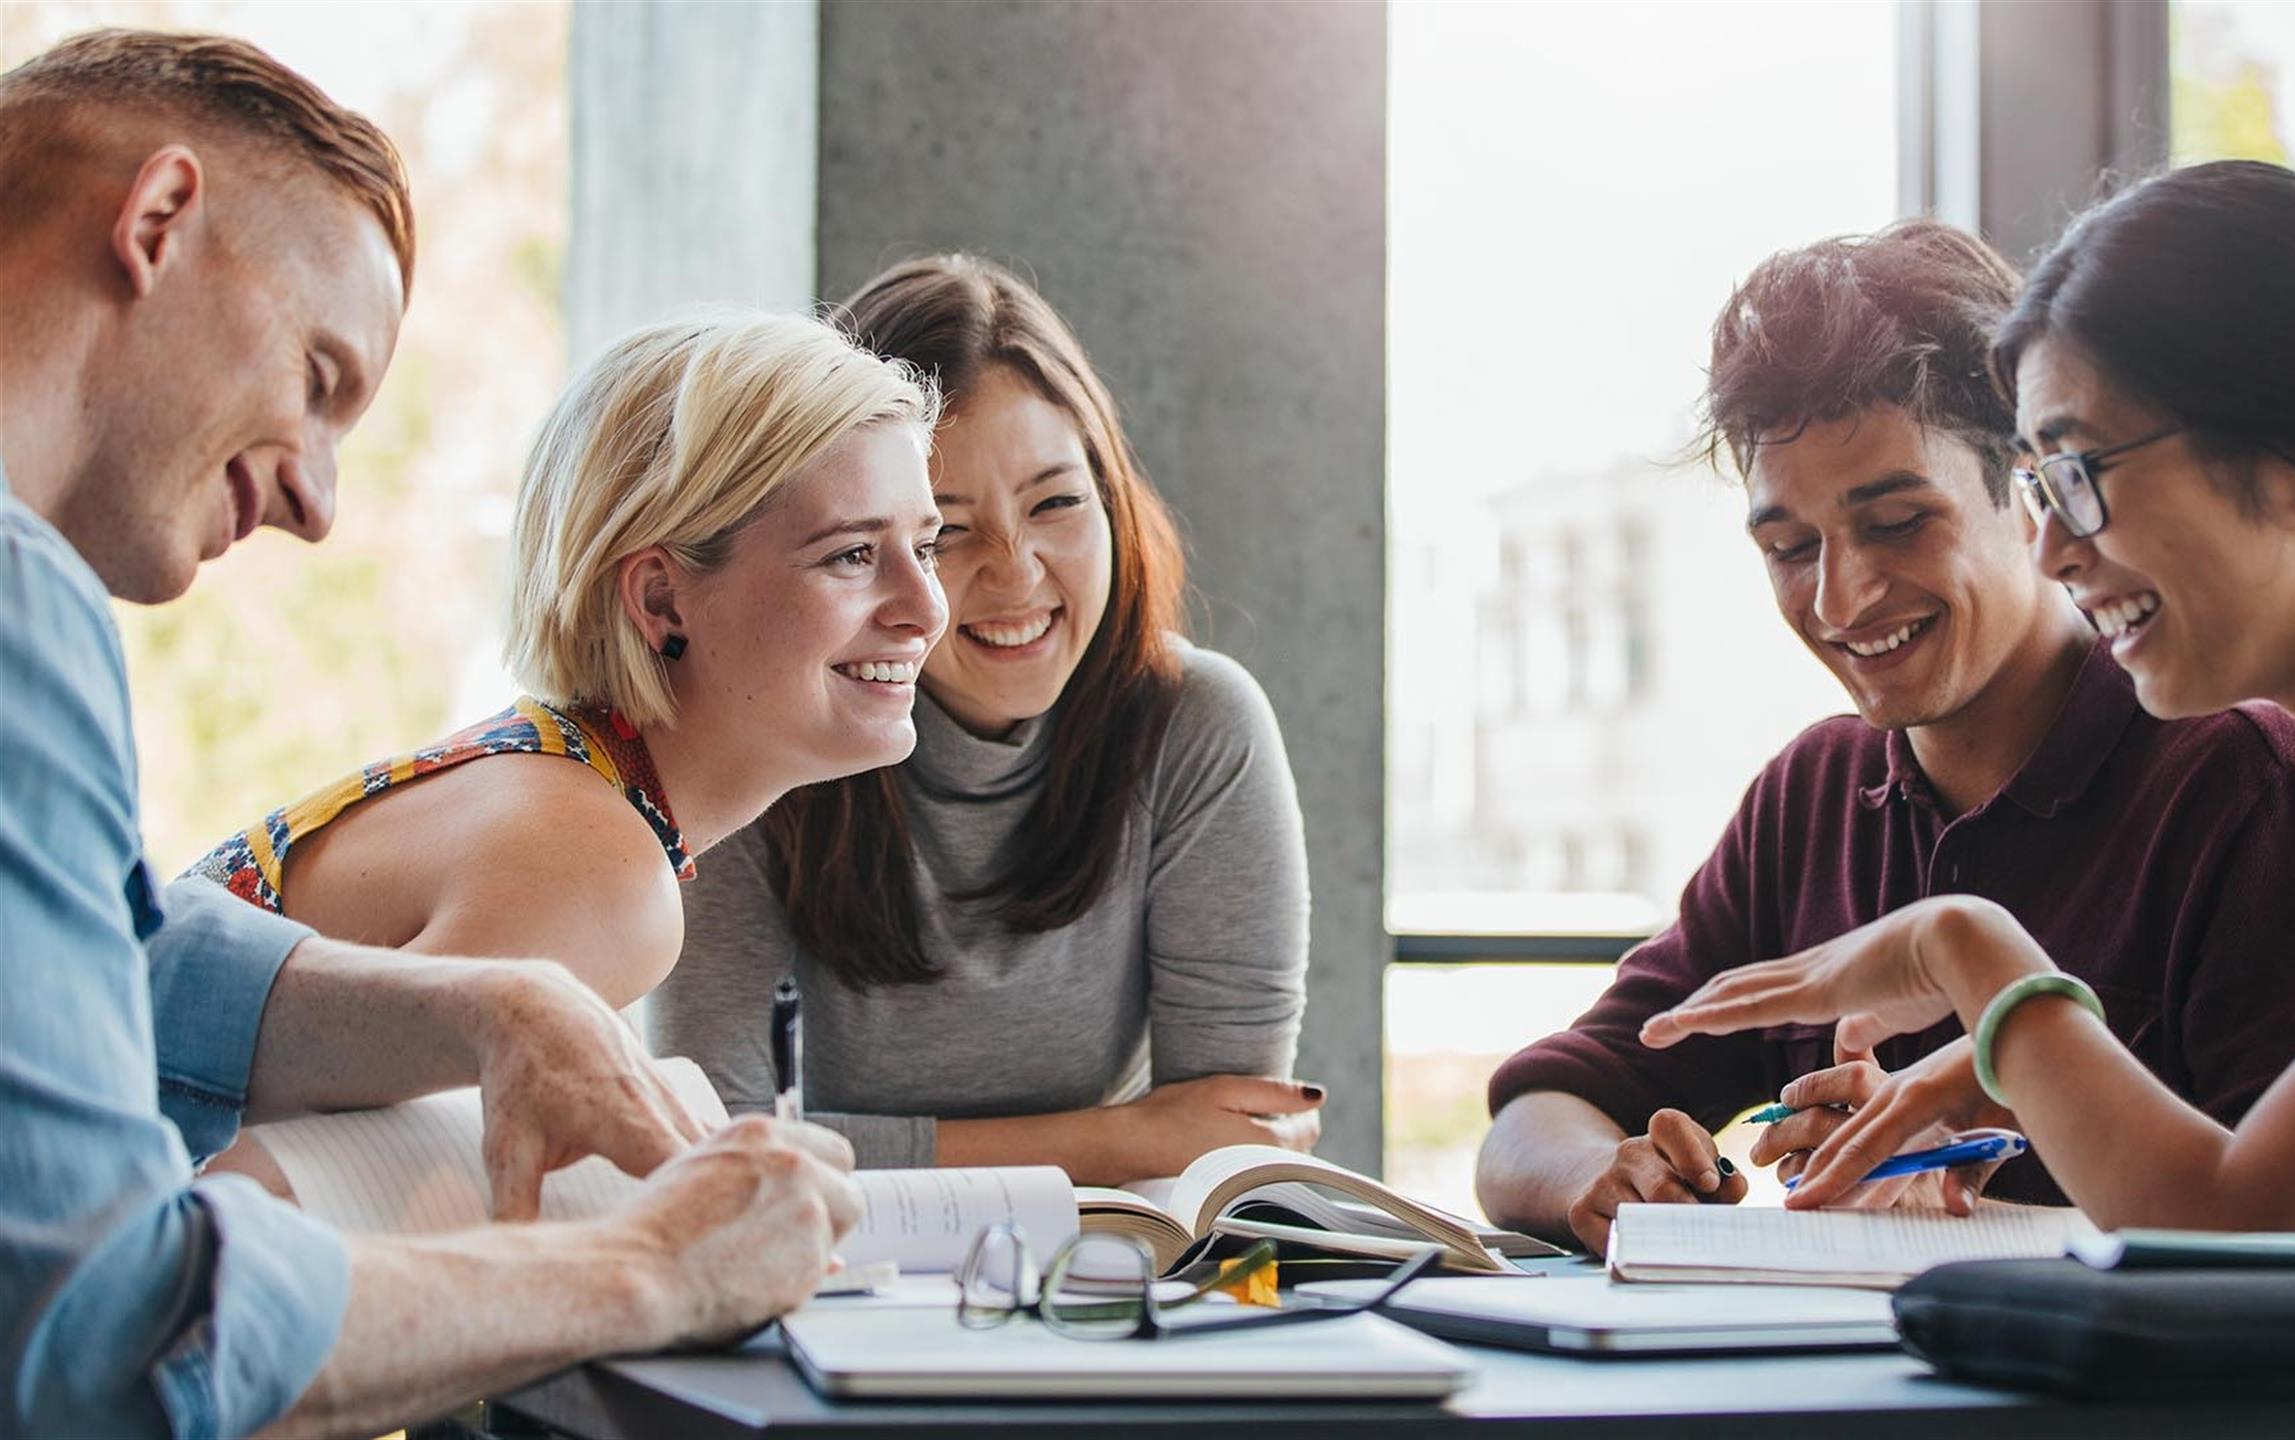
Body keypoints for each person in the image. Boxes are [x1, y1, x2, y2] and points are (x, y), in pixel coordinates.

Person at [0, 31, 862, 1440]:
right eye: (319, 376)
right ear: (157, 223)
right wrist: (650, 1266)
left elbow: (97, 946)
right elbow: (103, 1342)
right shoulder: (21, 601)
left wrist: (492, 1007)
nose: (318, 501)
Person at [1650, 161, 2295, 1235]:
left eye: (2081, 473)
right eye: (2037, 483)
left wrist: (1968, 954)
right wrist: (2023, 1084)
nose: (2049, 548)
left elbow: (2255, 1233)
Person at [1473, 220, 2295, 1253]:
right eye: (1790, 548)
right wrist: (1598, 1176)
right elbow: (1539, 1114)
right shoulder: (1812, 798)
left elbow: (2294, 1234)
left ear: (2030, 493)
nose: (1839, 597)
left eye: (1895, 524)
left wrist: (1984, 1143)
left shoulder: (2245, 785)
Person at [650, 254, 1321, 1185]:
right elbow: (717, 1145)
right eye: (946, 532)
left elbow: (1223, 1144)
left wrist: (1155, 1146)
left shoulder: (1196, 727)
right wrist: (1117, 1139)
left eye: (1056, 503)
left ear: (1114, 500)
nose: (1015, 574)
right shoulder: (760, 730)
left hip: (1106, 1277)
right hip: (823, 1277)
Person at [185, 306, 947, 1010]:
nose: (927, 608)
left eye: (926, 547)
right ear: (660, 601)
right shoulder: (598, 875)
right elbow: (275, 1159)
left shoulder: (562, 786)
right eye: (851, 555)